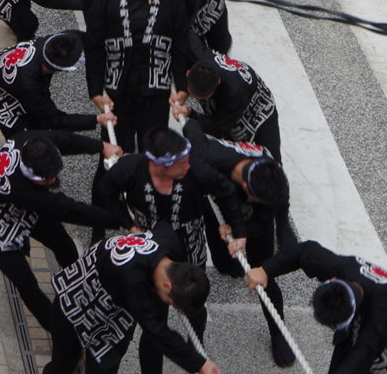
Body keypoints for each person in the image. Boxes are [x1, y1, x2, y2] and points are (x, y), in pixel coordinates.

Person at [0, 130, 119, 332]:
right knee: (27, 284)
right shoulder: (21, 189)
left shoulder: (32, 141)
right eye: (47, 180)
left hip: (18, 203)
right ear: (33, 177)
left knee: (63, 243)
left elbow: (66, 139)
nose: (53, 182)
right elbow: (69, 210)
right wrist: (119, 219)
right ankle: (61, 336)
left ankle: (80, 287)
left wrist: (101, 146)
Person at [45, 224, 217, 374]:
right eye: (170, 302)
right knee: (62, 366)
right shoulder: (133, 278)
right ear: (168, 286)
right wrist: (200, 364)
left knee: (105, 367)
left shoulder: (168, 239)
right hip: (77, 304)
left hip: (114, 315)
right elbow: (155, 329)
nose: (168, 305)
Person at [247, 241, 387, 374]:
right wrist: (265, 270)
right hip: (368, 325)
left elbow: (361, 356)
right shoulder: (344, 267)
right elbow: (306, 251)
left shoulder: (377, 322)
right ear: (333, 280)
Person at [196, 135, 296, 369]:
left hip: (252, 219)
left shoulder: (275, 183)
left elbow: (265, 223)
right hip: (218, 211)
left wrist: (242, 231)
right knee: (223, 263)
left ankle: (278, 331)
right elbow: (192, 132)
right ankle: (232, 262)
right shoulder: (212, 156)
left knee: (263, 272)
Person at [84, 0, 193, 154]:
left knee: (154, 152)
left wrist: (181, 86)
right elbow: (94, 46)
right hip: (118, 89)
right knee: (115, 150)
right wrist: (95, 90)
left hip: (156, 90)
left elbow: (180, 43)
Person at [95, 126, 244, 266]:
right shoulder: (130, 169)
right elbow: (106, 191)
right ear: (158, 165)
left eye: (186, 161)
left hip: (189, 241)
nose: (187, 166)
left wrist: (238, 232)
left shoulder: (197, 170)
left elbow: (226, 190)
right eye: (181, 164)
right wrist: (129, 225)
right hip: (149, 237)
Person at [0, 30, 112, 137]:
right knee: (27, 142)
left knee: (40, 122)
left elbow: (90, 41)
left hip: (3, 72)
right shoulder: (30, 86)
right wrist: (97, 118)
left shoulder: (60, 41)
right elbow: (55, 120)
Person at [176, 51, 280, 159]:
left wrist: (190, 113)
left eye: (202, 98)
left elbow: (219, 128)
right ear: (188, 73)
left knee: (270, 160)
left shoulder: (234, 92)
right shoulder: (198, 54)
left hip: (258, 109)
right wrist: (182, 91)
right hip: (230, 103)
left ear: (218, 82)